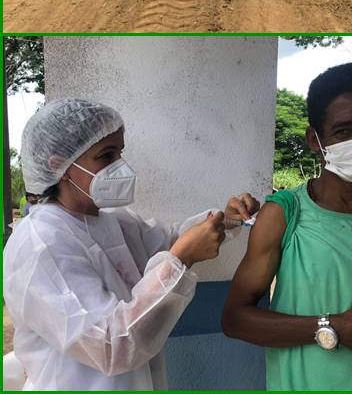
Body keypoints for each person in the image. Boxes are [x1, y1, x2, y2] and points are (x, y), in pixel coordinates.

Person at [4, 98, 252, 390]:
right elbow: (110, 346)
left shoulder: (113, 221)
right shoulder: (41, 244)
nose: (120, 166)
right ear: (61, 166)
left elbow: (171, 239)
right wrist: (180, 261)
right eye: (106, 155)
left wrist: (225, 220)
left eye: (120, 153)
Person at [222, 63, 352, 390]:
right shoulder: (284, 215)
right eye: (344, 131)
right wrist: (334, 328)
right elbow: (234, 320)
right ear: (315, 140)